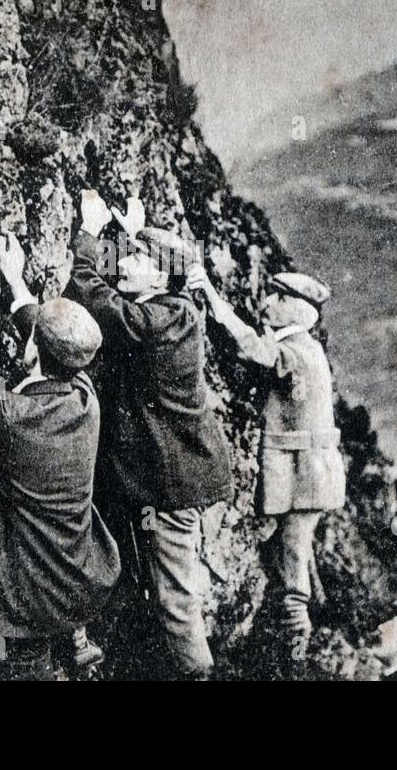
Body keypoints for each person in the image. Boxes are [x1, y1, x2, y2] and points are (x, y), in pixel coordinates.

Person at [0, 233, 120, 679]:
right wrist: (17, 287)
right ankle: (74, 641)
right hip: (77, 579)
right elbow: (53, 343)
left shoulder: (16, 415)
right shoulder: (85, 396)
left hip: (27, 600)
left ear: (33, 348)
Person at [65, 192, 232, 678]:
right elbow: (120, 290)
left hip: (171, 486)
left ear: (160, 276)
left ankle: (199, 674)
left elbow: (94, 296)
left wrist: (90, 237)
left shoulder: (159, 319)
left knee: (175, 597)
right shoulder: (171, 308)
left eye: (138, 257)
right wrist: (128, 230)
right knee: (157, 586)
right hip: (166, 478)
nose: (126, 261)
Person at [188, 266, 346, 669]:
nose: (267, 304)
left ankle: (296, 653)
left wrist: (211, 295)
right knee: (295, 550)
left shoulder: (296, 352)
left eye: (278, 299)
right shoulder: (310, 349)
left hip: (302, 478)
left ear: (297, 311)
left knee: (292, 562)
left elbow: (250, 348)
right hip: (310, 475)